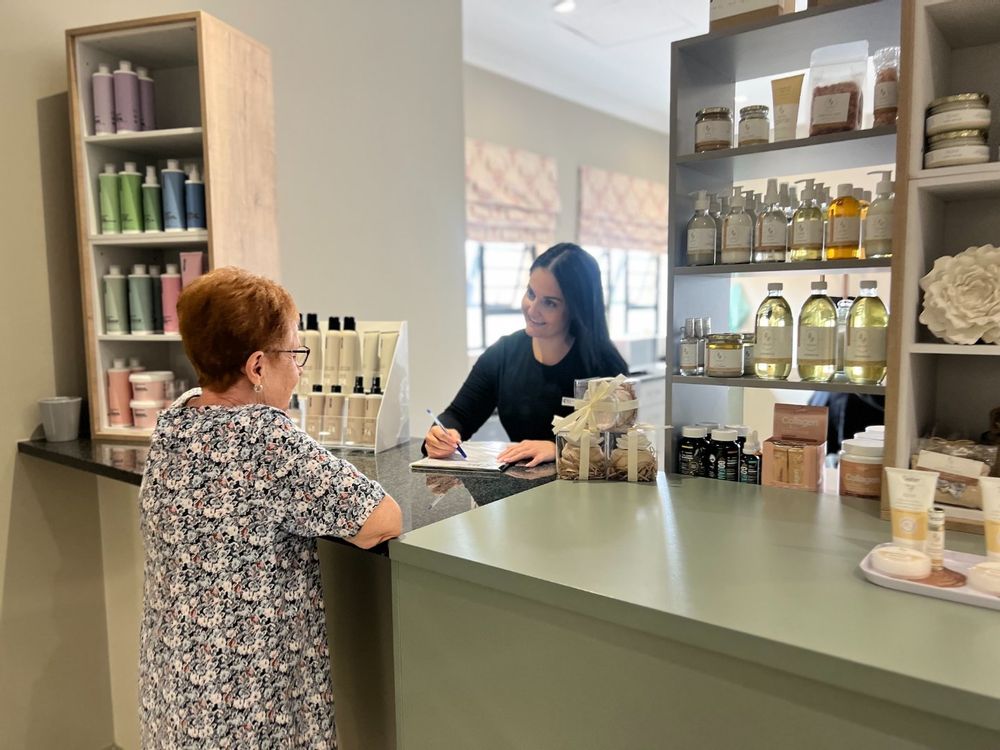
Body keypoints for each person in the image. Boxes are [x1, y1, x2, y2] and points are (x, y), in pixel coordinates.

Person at [138, 267, 402, 748]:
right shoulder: (265, 439)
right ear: (257, 367)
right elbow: (381, 519)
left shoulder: (174, 422)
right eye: (294, 354)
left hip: (176, 681)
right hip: (246, 704)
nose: (299, 369)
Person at [425, 242, 629, 467]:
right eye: (531, 293)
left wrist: (559, 448)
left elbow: (615, 446)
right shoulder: (503, 354)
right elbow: (458, 416)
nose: (532, 309)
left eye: (549, 303)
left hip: (581, 487)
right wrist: (442, 435)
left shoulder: (606, 365)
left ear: (576, 309)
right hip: (520, 484)